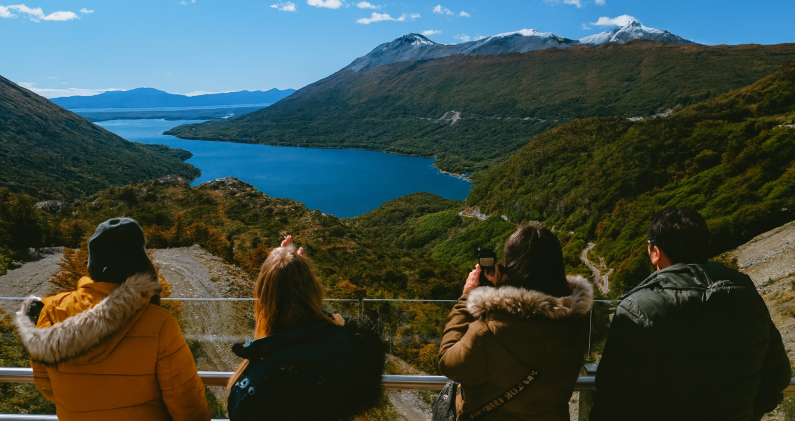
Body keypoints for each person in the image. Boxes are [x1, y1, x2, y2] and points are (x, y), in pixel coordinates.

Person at [589, 208, 792, 421]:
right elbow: (777, 377)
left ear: (655, 252)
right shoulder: (746, 297)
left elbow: (611, 394)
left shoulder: (637, 308)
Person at [13, 217, 210, 421]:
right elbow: (185, 401)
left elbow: (45, 383)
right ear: (139, 263)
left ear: (93, 264)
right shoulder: (159, 322)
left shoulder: (52, 310)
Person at [439, 223, 593, 420]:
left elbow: (448, 361)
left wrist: (467, 297)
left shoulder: (488, 333)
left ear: (509, 266)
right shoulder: (577, 321)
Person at [226, 235, 384, 421]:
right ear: (313, 291)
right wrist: (298, 274)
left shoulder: (254, 388)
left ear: (264, 301)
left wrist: (282, 266)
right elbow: (333, 331)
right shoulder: (357, 348)